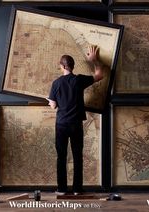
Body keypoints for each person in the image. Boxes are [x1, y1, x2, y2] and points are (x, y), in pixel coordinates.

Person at [47, 46, 104, 195]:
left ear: (62, 66)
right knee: (77, 156)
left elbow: (53, 106)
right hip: (76, 124)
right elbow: (99, 75)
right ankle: (77, 189)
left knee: (62, 157)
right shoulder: (79, 80)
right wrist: (95, 60)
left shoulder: (56, 83)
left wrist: (52, 102)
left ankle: (61, 189)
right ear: (73, 66)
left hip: (61, 125)